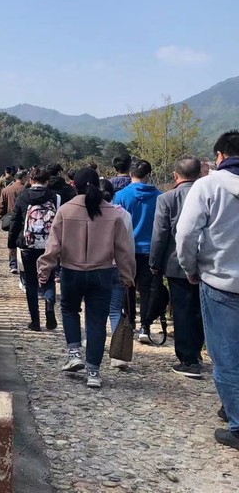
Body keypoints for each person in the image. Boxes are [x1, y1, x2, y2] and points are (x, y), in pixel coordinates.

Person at [38, 168, 135, 388]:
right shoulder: (112, 213)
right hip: (102, 273)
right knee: (97, 321)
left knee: (69, 310)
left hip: (71, 272)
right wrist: (127, 276)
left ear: (74, 185)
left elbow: (53, 246)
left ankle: (74, 354)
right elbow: (124, 250)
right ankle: (93, 372)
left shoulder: (65, 210)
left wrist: (45, 269)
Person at [176, 131, 239, 450]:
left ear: (219, 156)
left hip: (220, 281)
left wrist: (191, 268)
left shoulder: (208, 186)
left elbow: (186, 234)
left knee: (226, 355)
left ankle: (236, 422)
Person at [149, 156, 204, 378]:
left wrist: (154, 262)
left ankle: (188, 360)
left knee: (182, 312)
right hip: (207, 264)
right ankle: (197, 351)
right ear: (199, 174)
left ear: (175, 175)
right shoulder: (208, 194)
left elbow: (160, 234)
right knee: (201, 311)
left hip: (176, 263)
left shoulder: (167, 198)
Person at [113, 160, 162, 342]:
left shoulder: (120, 196)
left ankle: (129, 322)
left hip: (127, 248)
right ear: (149, 175)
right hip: (150, 249)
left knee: (127, 286)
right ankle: (145, 327)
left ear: (130, 174)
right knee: (148, 289)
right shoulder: (160, 197)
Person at [8, 167, 59, 331]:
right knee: (49, 278)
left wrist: (11, 244)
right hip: (49, 246)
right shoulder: (55, 197)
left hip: (28, 245)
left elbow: (15, 222)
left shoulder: (23, 196)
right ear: (47, 181)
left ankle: (35, 322)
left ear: (30, 180)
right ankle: (49, 306)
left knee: (30, 283)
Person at [100, 178, 135, 370]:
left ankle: (93, 343)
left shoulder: (91, 212)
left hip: (97, 267)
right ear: (114, 194)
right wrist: (129, 272)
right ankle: (118, 356)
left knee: (95, 309)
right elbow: (128, 246)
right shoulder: (124, 215)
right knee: (115, 310)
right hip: (118, 267)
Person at [0, 170, 27, 274]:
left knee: (12, 241)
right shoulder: (25, 190)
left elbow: (1, 207)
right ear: (23, 178)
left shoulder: (6, 190)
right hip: (24, 219)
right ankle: (23, 264)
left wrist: (3, 218)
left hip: (11, 219)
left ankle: (13, 264)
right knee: (23, 242)